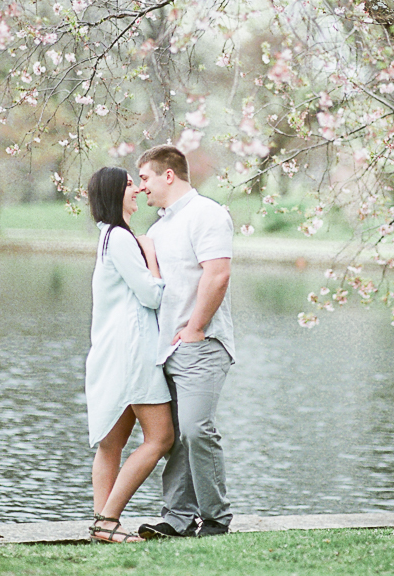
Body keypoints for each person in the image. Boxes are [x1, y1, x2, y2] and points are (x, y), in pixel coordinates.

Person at [136, 145, 234, 540]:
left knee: (196, 430)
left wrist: (195, 327)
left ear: (168, 175)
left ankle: (215, 518)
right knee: (176, 436)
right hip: (167, 348)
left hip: (202, 342)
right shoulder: (159, 228)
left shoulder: (207, 214)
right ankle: (177, 519)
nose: (142, 188)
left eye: (144, 178)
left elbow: (218, 274)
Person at [85, 166, 174, 543]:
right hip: (133, 351)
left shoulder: (107, 238)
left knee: (111, 443)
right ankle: (107, 520)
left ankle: (102, 526)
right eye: (128, 185)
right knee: (160, 438)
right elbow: (152, 295)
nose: (137, 189)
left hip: (112, 351)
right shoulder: (121, 239)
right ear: (113, 193)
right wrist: (151, 254)